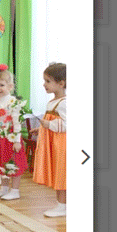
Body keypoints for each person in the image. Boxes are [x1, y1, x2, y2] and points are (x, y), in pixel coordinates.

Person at [0, 65, 28, 200]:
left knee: (13, 163)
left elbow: (17, 122)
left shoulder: (13, 102)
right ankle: (3, 188)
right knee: (1, 162)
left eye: (1, 85)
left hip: (10, 138)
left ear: (10, 86)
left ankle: (15, 190)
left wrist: (17, 141)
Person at [33, 63, 67, 216]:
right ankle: (61, 205)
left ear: (61, 83)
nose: (44, 84)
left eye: (48, 81)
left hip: (62, 145)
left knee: (61, 174)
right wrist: (42, 129)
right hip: (54, 143)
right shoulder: (53, 102)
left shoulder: (64, 103)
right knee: (57, 173)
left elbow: (68, 124)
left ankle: (62, 206)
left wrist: (50, 124)